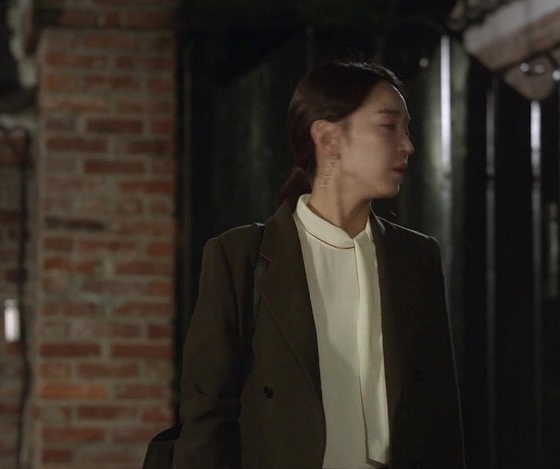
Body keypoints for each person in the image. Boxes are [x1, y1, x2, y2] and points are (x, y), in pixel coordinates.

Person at [173, 61, 465, 469]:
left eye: (407, 129)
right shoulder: (240, 256)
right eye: (388, 126)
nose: (407, 145)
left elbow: (441, 416)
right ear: (328, 138)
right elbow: (206, 418)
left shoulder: (416, 257)